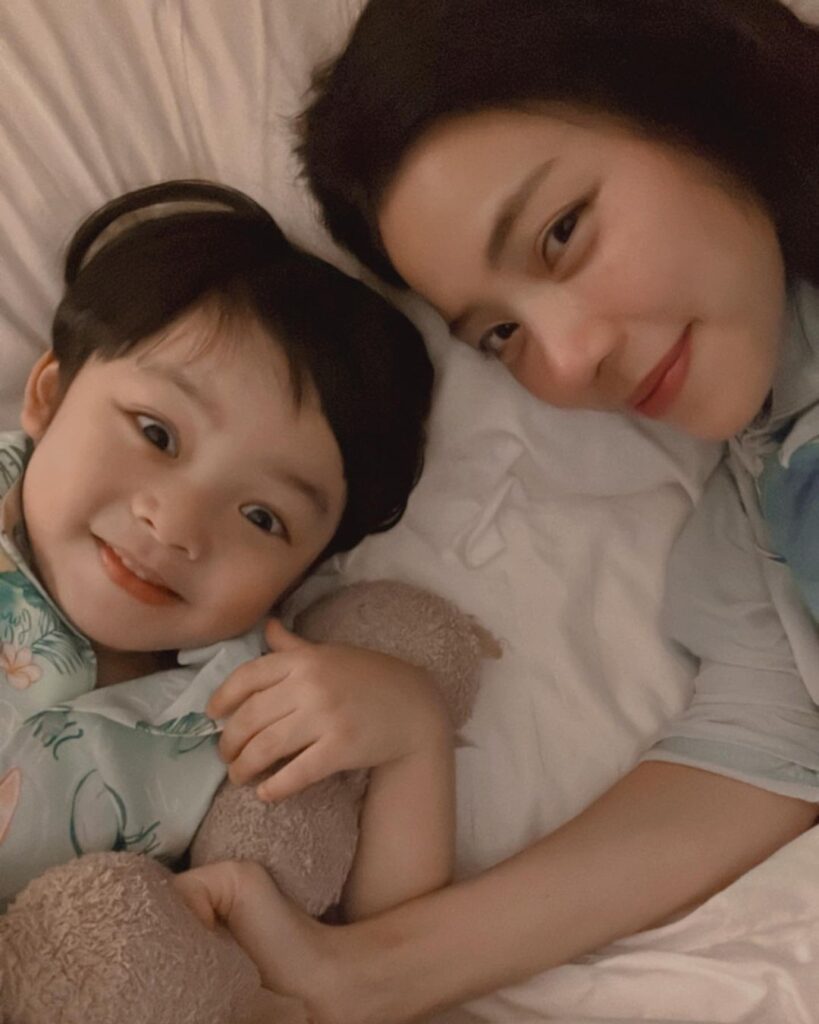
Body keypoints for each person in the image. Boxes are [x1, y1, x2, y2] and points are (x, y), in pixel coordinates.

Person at [174, 1, 819, 1022]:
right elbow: (763, 756)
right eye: (500, 334)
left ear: (690, 92)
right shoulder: (760, 491)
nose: (568, 358)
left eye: (562, 232)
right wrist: (364, 973)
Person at [0, 178, 452, 924]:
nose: (178, 524)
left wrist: (415, 740)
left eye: (261, 517)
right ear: (48, 396)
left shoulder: (258, 710)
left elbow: (383, 944)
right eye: (156, 434)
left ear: (303, 572)